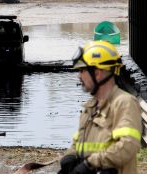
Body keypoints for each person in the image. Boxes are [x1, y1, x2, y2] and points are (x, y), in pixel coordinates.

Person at [58, 40, 141, 174]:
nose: (79, 76)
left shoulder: (124, 103)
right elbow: (79, 141)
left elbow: (128, 145)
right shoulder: (90, 107)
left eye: (82, 70)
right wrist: (70, 155)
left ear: (97, 72)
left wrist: (90, 164)